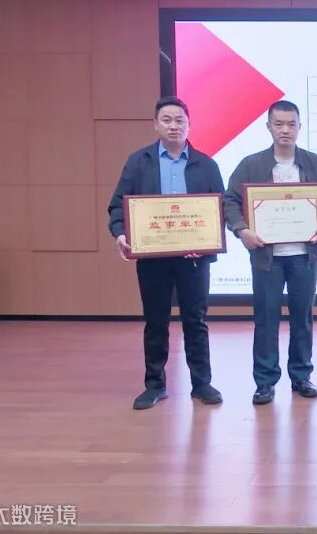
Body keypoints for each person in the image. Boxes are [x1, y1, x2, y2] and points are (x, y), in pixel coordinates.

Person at [107, 96, 225, 410]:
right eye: (167, 120)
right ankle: (154, 385)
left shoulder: (206, 164)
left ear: (189, 125)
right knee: (155, 320)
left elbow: (220, 209)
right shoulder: (138, 161)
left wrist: (206, 241)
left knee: (196, 321)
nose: (174, 126)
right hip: (153, 258)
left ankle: (201, 383)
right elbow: (118, 205)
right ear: (156, 124)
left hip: (194, 259)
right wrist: (121, 234)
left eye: (179, 120)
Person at [222, 100, 317, 405]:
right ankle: (265, 381)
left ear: (300, 127)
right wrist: (242, 230)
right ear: (268, 127)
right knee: (266, 318)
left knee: (303, 317)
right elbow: (230, 201)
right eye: (279, 124)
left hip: (304, 255)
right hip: (267, 257)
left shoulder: (316, 164)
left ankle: (301, 376)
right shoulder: (251, 165)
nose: (285, 130)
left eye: (291, 124)